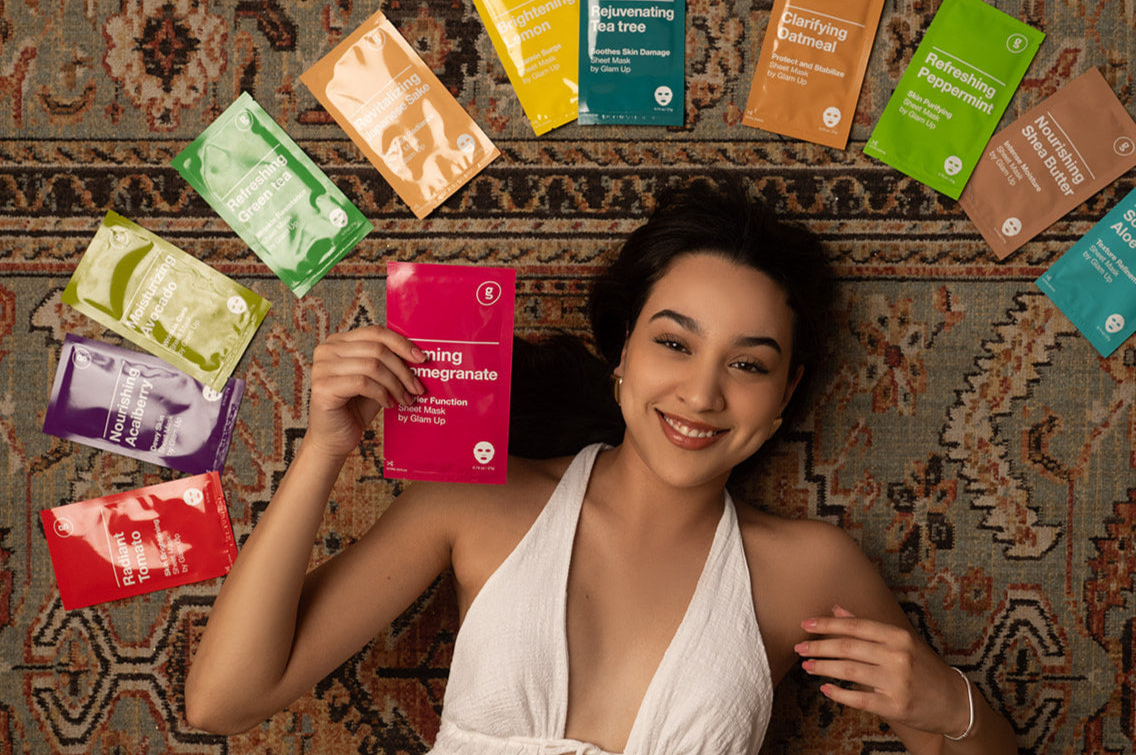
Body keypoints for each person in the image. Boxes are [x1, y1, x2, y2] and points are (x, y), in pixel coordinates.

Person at [184, 180, 1019, 754]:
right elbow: (224, 699)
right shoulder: (480, 504)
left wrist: (950, 703)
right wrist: (325, 449)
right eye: (674, 343)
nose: (701, 394)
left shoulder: (810, 569)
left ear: (785, 393)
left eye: (747, 364)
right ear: (623, 352)